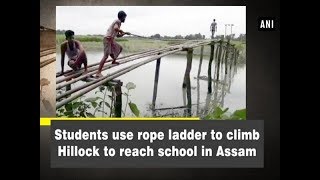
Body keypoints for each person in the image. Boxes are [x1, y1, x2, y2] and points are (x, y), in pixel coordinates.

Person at [95, 10, 130, 78]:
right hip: (107, 39)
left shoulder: (119, 23)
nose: (125, 19)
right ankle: (98, 72)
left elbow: (117, 35)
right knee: (105, 56)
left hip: (111, 40)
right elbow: (116, 28)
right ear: (122, 17)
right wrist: (121, 31)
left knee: (120, 48)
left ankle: (113, 61)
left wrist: (124, 33)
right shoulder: (117, 21)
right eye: (124, 18)